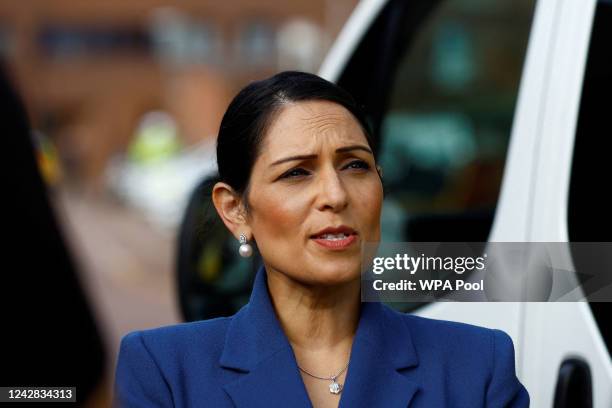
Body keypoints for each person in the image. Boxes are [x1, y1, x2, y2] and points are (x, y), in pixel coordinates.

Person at [114, 71, 529, 407]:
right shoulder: (165, 371)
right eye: (296, 172)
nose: (335, 195)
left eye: (355, 166)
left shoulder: (476, 365)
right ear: (235, 210)